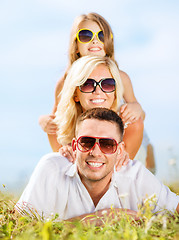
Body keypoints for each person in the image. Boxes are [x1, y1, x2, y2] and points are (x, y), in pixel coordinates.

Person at [16, 108, 179, 223]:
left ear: (120, 150)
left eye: (107, 144)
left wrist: (148, 220)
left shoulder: (134, 175)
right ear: (74, 145)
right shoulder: (51, 167)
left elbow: (175, 210)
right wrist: (95, 219)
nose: (95, 152)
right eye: (86, 142)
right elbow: (19, 225)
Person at [38, 12, 145, 159]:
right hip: (80, 137)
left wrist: (136, 108)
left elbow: (139, 113)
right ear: (75, 45)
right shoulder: (65, 81)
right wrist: (43, 121)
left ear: (108, 43)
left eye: (101, 36)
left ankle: (118, 168)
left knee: (135, 124)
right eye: (86, 36)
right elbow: (57, 118)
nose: (95, 41)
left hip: (115, 136)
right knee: (54, 127)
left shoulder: (120, 77)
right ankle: (65, 165)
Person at [53, 55, 143, 165]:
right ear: (75, 94)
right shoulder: (57, 128)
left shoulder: (132, 125)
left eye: (107, 84)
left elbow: (115, 175)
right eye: (87, 84)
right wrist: (64, 156)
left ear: (115, 93)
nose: (98, 91)